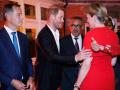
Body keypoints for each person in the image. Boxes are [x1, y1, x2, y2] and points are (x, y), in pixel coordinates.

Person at [36, 5, 92, 90]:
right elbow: (52, 56)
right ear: (52, 17)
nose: (63, 20)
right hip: (46, 81)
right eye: (60, 17)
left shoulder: (56, 33)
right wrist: (76, 57)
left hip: (56, 80)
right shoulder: (44, 35)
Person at [74, 3, 119, 90]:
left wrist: (77, 85)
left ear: (94, 17)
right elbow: (113, 62)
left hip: (93, 80)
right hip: (108, 79)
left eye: (88, 18)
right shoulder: (114, 35)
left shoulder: (90, 35)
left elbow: (87, 63)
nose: (87, 21)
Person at [0, 3, 33, 90]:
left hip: (26, 85)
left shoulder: (23, 37)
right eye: (18, 15)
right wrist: (11, 81)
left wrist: (30, 77)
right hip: (8, 87)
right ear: (7, 16)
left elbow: (28, 60)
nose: (22, 18)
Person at [60, 16, 84, 90]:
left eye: (78, 26)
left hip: (84, 80)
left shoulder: (88, 40)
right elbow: (59, 60)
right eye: (73, 25)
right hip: (67, 82)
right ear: (69, 27)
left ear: (82, 27)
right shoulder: (62, 42)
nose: (75, 28)